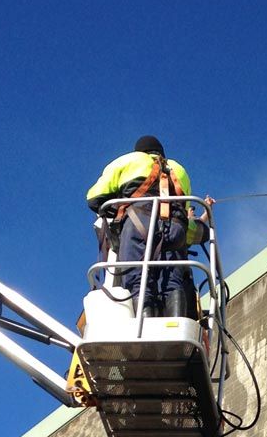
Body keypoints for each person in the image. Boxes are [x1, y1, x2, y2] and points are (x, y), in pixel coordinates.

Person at [86, 136, 207, 318]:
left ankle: (144, 329)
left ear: (139, 151)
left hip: (138, 224)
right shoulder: (180, 171)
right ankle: (175, 329)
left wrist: (117, 210)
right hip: (175, 229)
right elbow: (185, 215)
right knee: (172, 283)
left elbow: (95, 198)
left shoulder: (128, 161)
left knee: (137, 280)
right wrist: (202, 227)